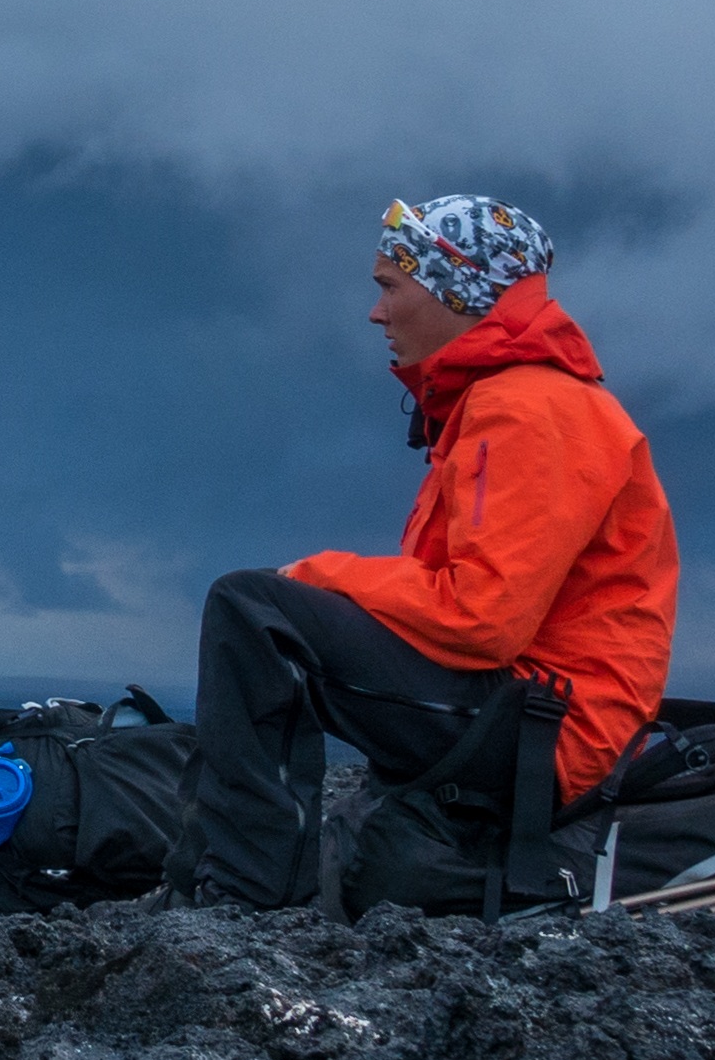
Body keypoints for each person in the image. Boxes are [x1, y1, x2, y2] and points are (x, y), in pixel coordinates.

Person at [185, 197, 678, 910]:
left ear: (459, 289)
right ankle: (241, 882)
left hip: (549, 730)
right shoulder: (513, 400)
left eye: (390, 286)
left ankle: (243, 901)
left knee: (252, 608)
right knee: (265, 607)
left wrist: (315, 576)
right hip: (536, 710)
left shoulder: (528, 408)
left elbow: (484, 617)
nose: (374, 314)